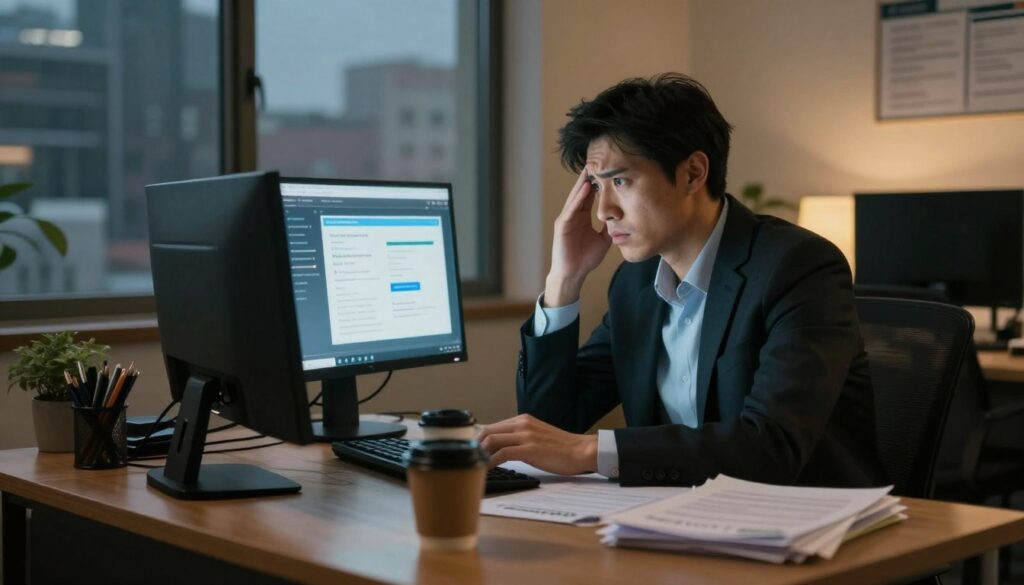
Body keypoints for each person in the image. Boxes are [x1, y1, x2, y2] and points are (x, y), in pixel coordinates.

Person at [477, 73, 886, 488]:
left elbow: (772, 446)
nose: (603, 211)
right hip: (673, 518)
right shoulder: (634, 284)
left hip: (808, 524)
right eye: (597, 186)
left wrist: (588, 451)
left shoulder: (797, 267)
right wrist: (564, 279)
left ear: (693, 173)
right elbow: (550, 428)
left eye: (620, 181)